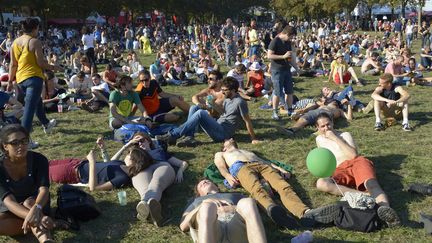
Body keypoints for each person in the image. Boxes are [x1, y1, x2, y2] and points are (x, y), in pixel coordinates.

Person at [214, 139, 341, 228]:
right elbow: (220, 166)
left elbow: (264, 160)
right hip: (239, 167)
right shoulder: (222, 153)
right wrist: (227, 176)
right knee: (257, 189)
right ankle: (273, 210)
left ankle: (305, 214)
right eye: (227, 140)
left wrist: (280, 169)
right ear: (224, 146)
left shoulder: (246, 151)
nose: (230, 139)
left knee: (283, 185)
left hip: (260, 165)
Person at [314, 112, 400, 227]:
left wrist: (334, 137)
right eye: (322, 126)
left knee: (371, 184)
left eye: (328, 124)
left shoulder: (345, 135)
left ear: (333, 123)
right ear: (318, 128)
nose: (326, 128)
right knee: (321, 183)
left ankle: (388, 213)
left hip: (356, 163)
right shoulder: (319, 139)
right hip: (339, 170)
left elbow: (353, 155)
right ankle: (364, 196)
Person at [156, 77, 260, 147]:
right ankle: (189, 137)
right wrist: (213, 104)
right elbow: (223, 113)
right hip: (218, 126)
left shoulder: (240, 102)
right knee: (194, 108)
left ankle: (172, 136)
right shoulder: (228, 99)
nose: (222, 92)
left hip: (224, 134)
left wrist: (253, 138)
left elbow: (247, 121)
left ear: (233, 90)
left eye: (225, 90)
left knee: (201, 113)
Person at [8, 18, 58, 148]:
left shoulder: (15, 42)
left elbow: (13, 64)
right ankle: (24, 142)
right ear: (35, 28)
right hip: (33, 78)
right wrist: (54, 67)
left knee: (37, 103)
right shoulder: (35, 42)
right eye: (38, 29)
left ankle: (46, 124)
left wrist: (9, 80)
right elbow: (41, 63)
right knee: (29, 111)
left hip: (20, 80)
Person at [0, 125, 54, 242]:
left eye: (24, 141)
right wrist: (36, 217)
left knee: (29, 203)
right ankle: (42, 222)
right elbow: (8, 202)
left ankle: (46, 240)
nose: (21, 145)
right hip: (13, 208)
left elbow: (44, 190)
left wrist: (37, 207)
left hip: (38, 203)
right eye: (15, 143)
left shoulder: (39, 160)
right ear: (5, 146)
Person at [179, 179, 266, 243]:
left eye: (207, 181)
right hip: (212, 231)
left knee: (248, 202)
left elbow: (254, 207)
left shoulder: (235, 195)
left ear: (216, 186)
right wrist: (202, 205)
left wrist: (233, 207)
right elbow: (183, 226)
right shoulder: (195, 201)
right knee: (207, 207)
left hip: (236, 228)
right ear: (199, 193)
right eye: (200, 185)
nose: (203, 182)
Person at [267, 25, 299, 120]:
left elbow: (289, 57)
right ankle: (275, 112)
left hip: (287, 69)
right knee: (277, 92)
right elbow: (269, 55)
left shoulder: (287, 42)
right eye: (291, 36)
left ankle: (289, 110)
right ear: (286, 33)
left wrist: (296, 68)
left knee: (289, 91)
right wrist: (282, 57)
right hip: (277, 70)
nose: (291, 39)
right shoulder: (275, 41)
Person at [282, 99, 353, 135]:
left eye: (336, 103)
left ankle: (319, 132)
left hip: (327, 114)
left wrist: (349, 105)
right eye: (333, 101)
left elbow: (349, 118)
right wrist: (303, 111)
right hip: (315, 112)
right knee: (304, 118)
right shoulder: (322, 105)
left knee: (324, 122)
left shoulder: (339, 110)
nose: (335, 102)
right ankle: (292, 129)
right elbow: (313, 105)